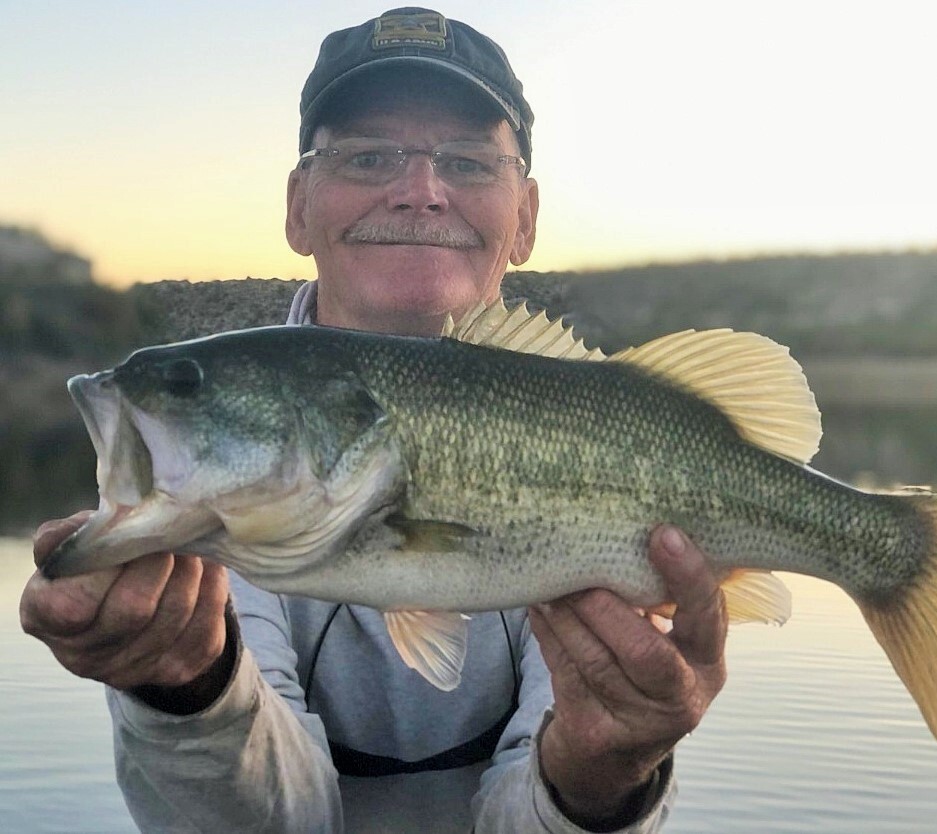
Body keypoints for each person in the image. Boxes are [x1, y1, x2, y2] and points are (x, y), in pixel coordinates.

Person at [21, 8, 728, 832]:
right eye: (367, 155)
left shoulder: (605, 432)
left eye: (466, 162)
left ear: (526, 218)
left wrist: (603, 773)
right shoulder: (216, 470)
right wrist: (185, 687)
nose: (421, 190)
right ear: (298, 206)